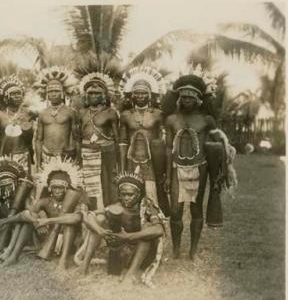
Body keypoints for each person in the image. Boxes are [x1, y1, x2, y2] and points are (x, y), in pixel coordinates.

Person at [163, 74, 220, 259]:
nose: (187, 100)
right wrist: (167, 174)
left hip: (199, 168)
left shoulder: (206, 120)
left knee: (196, 210)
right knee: (175, 211)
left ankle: (193, 250)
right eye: (184, 96)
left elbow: (218, 146)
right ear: (179, 98)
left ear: (198, 99)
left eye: (190, 97)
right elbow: (168, 149)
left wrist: (219, 172)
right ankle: (176, 249)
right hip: (176, 168)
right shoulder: (172, 120)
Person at [0, 159, 84, 269]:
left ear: (66, 189)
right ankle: (13, 255)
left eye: (61, 188)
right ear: (50, 188)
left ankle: (63, 261)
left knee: (69, 226)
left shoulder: (73, 200)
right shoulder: (46, 201)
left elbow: (77, 218)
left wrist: (48, 221)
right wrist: (36, 221)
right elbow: (27, 213)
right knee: (27, 221)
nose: (58, 191)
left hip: (66, 242)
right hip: (47, 239)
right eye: (55, 188)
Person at [79, 172, 166, 286]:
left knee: (147, 229)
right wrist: (101, 231)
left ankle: (130, 275)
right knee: (100, 219)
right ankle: (84, 267)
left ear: (139, 194)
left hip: (144, 251)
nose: (126, 198)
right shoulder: (118, 206)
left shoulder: (146, 206)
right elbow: (91, 215)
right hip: (123, 248)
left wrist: (128, 236)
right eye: (123, 194)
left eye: (130, 194)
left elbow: (159, 230)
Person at [118, 66, 170, 215]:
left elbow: (163, 142)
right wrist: (122, 167)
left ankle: (154, 222)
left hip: (152, 161)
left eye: (143, 93)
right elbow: (122, 142)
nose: (140, 96)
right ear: (131, 96)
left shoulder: (158, 114)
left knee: (152, 194)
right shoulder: (126, 115)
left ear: (150, 95)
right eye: (137, 93)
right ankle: (132, 224)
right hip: (131, 160)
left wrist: (163, 168)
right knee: (131, 192)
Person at [77, 72, 119, 210]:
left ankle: (108, 212)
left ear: (103, 95)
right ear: (86, 96)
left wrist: (117, 161)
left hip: (106, 153)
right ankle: (92, 213)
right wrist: (78, 158)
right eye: (90, 93)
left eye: (96, 93)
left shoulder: (110, 113)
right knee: (89, 186)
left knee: (106, 184)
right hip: (86, 153)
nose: (93, 96)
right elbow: (77, 137)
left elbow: (117, 138)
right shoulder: (82, 113)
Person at [33, 66, 79, 169]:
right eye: (50, 91)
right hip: (47, 156)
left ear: (63, 93)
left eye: (56, 91)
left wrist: (78, 159)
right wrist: (39, 162)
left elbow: (76, 138)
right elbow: (39, 140)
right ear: (46, 94)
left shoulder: (70, 112)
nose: (53, 94)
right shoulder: (42, 113)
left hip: (65, 157)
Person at [0, 75, 37, 174]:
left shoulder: (28, 113)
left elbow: (33, 138)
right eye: (13, 94)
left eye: (19, 93)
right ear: (6, 97)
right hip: (5, 156)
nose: (17, 96)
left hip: (23, 155)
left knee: (24, 184)